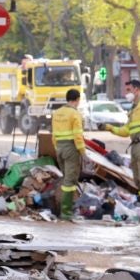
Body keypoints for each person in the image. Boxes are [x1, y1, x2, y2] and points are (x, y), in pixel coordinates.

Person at [103, 77, 140, 223]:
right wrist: (109, 128)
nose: (126, 93)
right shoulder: (134, 109)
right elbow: (126, 131)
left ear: (137, 89)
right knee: (139, 180)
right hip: (135, 145)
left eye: (128, 90)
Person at [51, 88, 85, 221]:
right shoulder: (75, 114)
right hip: (71, 149)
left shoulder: (57, 113)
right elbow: (78, 136)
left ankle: (67, 208)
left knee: (66, 178)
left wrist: (57, 149)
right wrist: (83, 152)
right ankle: (66, 211)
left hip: (59, 148)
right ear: (77, 100)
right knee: (69, 181)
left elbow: (53, 135)